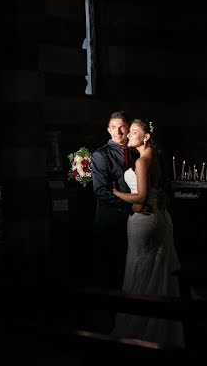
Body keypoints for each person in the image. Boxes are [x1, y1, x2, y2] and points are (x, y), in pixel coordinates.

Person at [110, 118, 184, 346]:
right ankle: (159, 325)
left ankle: (139, 328)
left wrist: (115, 194)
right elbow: (154, 191)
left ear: (146, 136)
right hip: (158, 219)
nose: (129, 135)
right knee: (154, 269)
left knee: (140, 270)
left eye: (133, 132)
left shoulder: (143, 161)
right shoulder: (154, 158)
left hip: (145, 222)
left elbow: (141, 197)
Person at [91, 111, 142, 292]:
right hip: (111, 220)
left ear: (128, 129)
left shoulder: (136, 152)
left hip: (135, 220)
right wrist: (130, 206)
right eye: (113, 127)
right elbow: (101, 191)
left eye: (121, 127)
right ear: (108, 130)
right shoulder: (100, 155)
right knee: (112, 272)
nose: (117, 131)